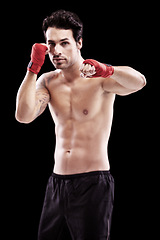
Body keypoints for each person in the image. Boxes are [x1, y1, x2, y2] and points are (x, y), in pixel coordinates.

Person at [15, 10, 146, 240]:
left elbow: (140, 82)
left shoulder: (99, 79)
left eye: (64, 43)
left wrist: (107, 69)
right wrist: (33, 68)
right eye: (51, 44)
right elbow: (24, 116)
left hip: (92, 183)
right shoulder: (48, 81)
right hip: (56, 184)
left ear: (79, 43)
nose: (56, 51)